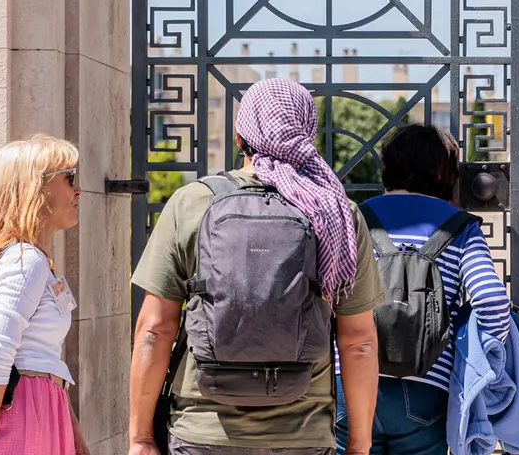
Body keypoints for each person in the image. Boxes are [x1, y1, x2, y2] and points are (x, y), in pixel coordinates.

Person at [128, 78, 384, 455]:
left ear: (239, 136)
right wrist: (359, 447)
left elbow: (154, 329)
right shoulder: (335, 213)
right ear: (307, 133)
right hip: (304, 434)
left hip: (203, 431)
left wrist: (141, 438)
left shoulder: (192, 203)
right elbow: (358, 342)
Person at [335, 124, 511, 455]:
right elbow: (490, 300)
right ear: (447, 174)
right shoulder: (461, 227)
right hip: (427, 388)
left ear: (387, 168)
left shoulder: (356, 218)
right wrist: (482, 353)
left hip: (352, 381)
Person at [0, 134, 90, 455]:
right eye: (69, 178)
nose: (79, 190)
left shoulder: (28, 260)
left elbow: (43, 358)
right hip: (24, 414)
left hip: (38, 411)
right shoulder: (25, 261)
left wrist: (76, 441)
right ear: (36, 188)